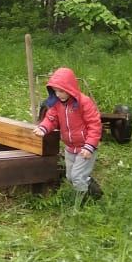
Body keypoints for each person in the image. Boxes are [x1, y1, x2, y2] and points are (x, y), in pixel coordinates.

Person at [34, 67, 104, 202]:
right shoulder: (56, 104)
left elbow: (94, 124)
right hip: (70, 147)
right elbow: (51, 119)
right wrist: (43, 128)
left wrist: (90, 146)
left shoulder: (84, 103)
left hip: (85, 148)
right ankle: (95, 192)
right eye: (55, 91)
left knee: (77, 177)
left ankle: (81, 203)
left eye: (61, 91)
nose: (58, 94)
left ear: (70, 88)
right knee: (70, 176)